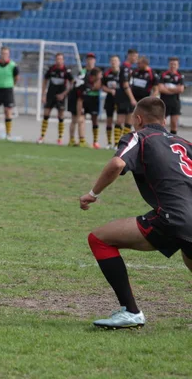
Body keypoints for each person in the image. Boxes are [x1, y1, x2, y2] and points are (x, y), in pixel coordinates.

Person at [80, 97, 192, 329]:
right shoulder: (184, 142)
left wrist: (93, 193)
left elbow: (117, 164)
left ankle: (131, 312)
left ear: (138, 119)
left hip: (173, 217)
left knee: (99, 239)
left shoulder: (139, 137)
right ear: (164, 119)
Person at [37, 53, 72, 145]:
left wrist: (64, 94)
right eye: (57, 59)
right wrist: (43, 94)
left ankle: (60, 138)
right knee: (46, 114)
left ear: (63, 60)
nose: (59, 61)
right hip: (50, 95)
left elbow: (72, 84)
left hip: (60, 97)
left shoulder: (66, 71)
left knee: (60, 116)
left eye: (60, 59)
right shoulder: (51, 69)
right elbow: (45, 81)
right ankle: (42, 136)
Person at [67, 53, 96, 147]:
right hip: (76, 98)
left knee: (83, 119)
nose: (90, 61)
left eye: (92, 59)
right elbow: (77, 88)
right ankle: (74, 140)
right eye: (88, 59)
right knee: (76, 119)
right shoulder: (82, 73)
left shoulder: (94, 73)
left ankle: (82, 140)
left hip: (87, 98)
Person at [113, 49, 138, 149]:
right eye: (135, 56)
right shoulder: (125, 68)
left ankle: (124, 143)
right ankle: (116, 143)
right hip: (123, 97)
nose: (136, 59)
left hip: (126, 97)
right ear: (130, 56)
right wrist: (132, 98)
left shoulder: (129, 68)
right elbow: (125, 84)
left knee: (129, 120)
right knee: (120, 120)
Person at [76, 67, 103, 149]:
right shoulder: (84, 83)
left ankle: (95, 142)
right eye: (99, 75)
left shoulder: (98, 81)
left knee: (94, 120)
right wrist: (79, 111)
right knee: (81, 120)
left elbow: (98, 87)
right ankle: (82, 141)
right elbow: (80, 98)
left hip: (94, 100)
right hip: (84, 101)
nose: (101, 77)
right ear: (94, 76)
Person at [158, 57, 185, 135]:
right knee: (161, 123)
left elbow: (181, 89)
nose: (173, 66)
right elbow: (160, 88)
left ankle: (172, 141)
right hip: (164, 102)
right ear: (169, 65)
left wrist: (167, 88)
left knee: (174, 124)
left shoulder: (180, 76)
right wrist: (174, 89)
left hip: (175, 103)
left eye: (175, 64)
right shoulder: (163, 74)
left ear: (178, 65)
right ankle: (161, 140)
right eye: (171, 64)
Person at [101, 55, 121, 149]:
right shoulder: (106, 73)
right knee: (109, 120)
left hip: (120, 99)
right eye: (112, 61)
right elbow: (103, 86)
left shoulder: (122, 73)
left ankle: (117, 143)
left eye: (116, 61)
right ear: (110, 62)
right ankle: (109, 142)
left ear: (119, 62)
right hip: (109, 99)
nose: (114, 62)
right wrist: (110, 90)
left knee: (119, 120)